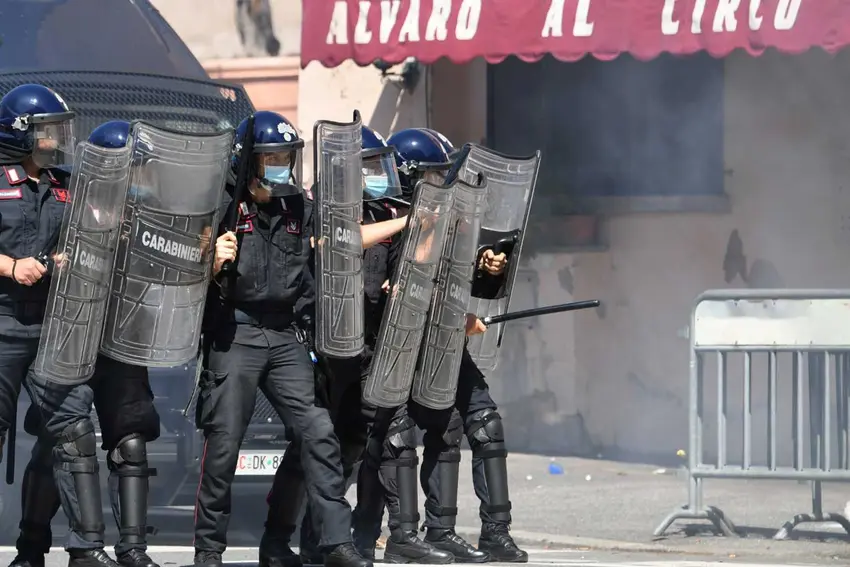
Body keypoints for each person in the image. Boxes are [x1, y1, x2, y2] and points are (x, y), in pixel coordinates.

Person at [193, 111, 372, 567]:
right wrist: (211, 261)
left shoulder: (298, 206)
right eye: (270, 157)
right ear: (248, 160)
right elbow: (183, 266)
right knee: (225, 442)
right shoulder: (220, 204)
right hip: (235, 332)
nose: (280, 166)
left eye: (285, 157)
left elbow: (338, 241)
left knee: (319, 431)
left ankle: (335, 542)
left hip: (285, 333)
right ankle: (209, 550)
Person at [0, 83, 121, 567]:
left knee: (74, 430)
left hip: (55, 326)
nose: (56, 139)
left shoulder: (69, 183)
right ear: (22, 133)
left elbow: (100, 229)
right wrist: (10, 267)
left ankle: (85, 549)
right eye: (47, 130)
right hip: (2, 323)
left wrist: (77, 255)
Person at [407, 127, 529, 562]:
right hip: (404, 350)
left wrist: (488, 267)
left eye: (445, 174)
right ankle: (421, 531)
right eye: (433, 175)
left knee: (486, 424)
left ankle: (495, 532)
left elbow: (460, 281)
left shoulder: (454, 218)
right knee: (420, 435)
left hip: (448, 345)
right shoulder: (396, 220)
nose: (442, 182)